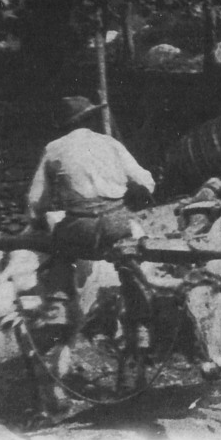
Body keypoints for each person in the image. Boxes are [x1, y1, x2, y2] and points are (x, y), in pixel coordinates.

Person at [27, 96, 156, 340]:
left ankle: (58, 307)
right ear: (90, 119)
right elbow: (146, 180)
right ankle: (140, 324)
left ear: (65, 124)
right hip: (117, 221)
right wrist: (129, 198)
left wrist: (36, 218)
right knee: (127, 261)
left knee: (59, 248)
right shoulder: (110, 143)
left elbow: (36, 201)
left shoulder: (54, 149)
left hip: (80, 225)